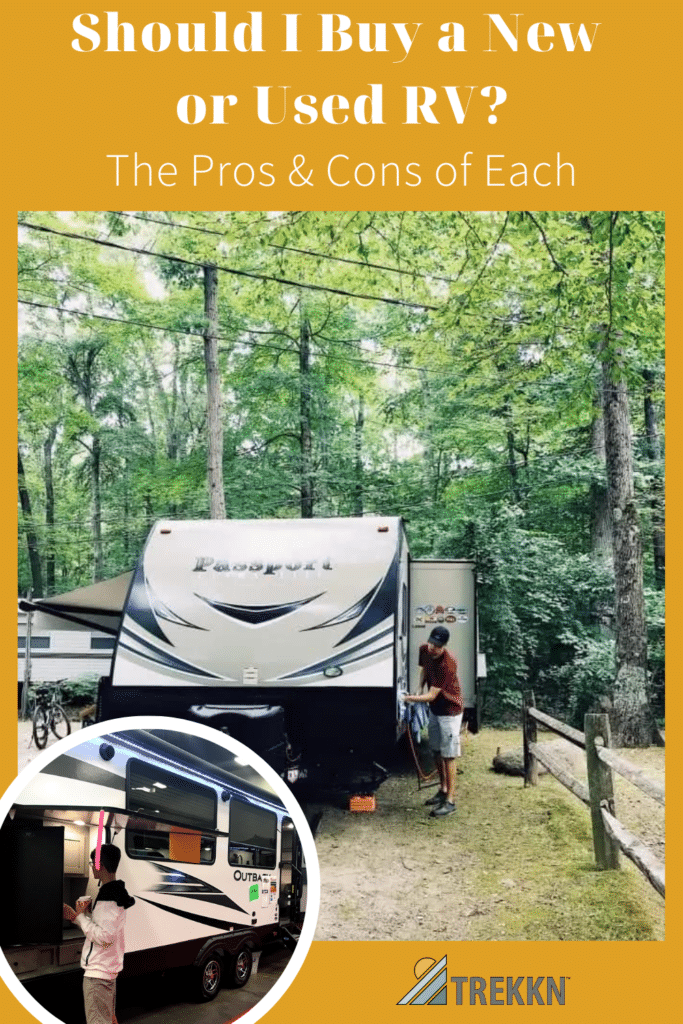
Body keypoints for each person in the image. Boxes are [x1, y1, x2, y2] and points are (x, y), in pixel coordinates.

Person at [63, 844, 135, 1024]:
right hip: (107, 971)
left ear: (100, 865)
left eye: (91, 863)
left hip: (98, 977)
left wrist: (78, 917)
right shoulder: (116, 892)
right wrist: (85, 915)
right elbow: (107, 931)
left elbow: (104, 937)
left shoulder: (108, 897)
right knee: (109, 1020)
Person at [402, 625, 463, 818]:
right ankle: (443, 789)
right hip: (435, 709)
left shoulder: (448, 663)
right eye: (431, 643)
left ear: (444, 646)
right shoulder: (424, 650)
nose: (432, 648)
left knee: (449, 755)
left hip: (450, 711)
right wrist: (418, 687)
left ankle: (450, 801)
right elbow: (424, 670)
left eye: (437, 645)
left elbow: (432, 695)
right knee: (436, 750)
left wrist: (410, 698)